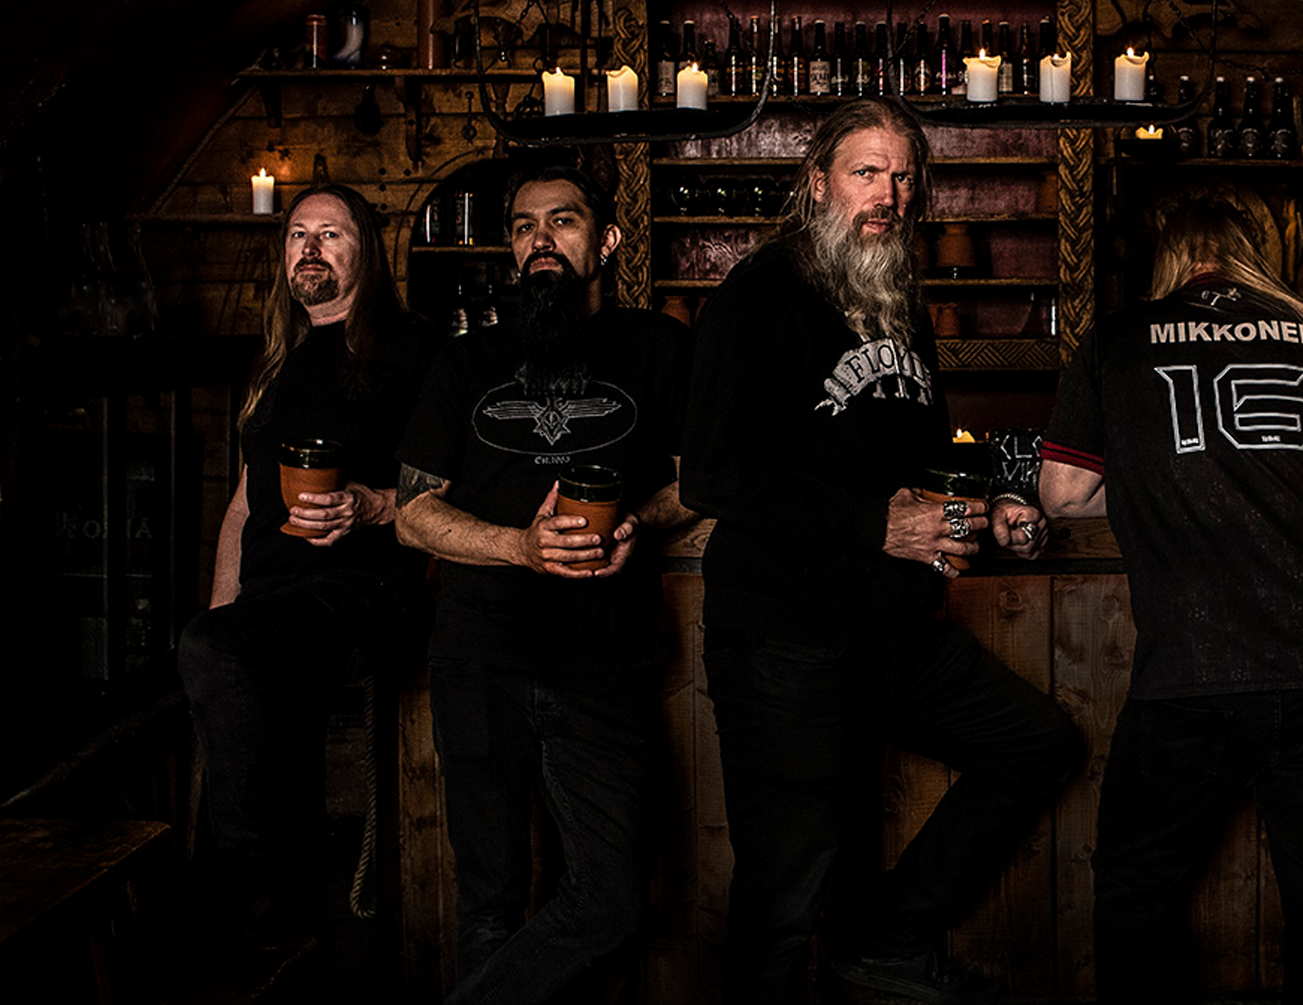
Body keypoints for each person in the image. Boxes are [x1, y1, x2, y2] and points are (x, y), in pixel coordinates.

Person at [679, 98, 1084, 1005]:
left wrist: (989, 503)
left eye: (903, 178)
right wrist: (877, 525)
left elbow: (926, 456)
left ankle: (885, 939)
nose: (888, 196)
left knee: (1035, 744)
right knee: (787, 886)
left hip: (893, 633)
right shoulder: (758, 296)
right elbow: (713, 474)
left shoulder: (896, 297)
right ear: (817, 182)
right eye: (867, 172)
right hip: (785, 640)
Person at [1038, 199, 1303, 1004]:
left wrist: (1159, 484)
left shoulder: (1119, 338)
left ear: (1171, 261)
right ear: (1251, 257)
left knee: (1136, 887)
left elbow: (1062, 494)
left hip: (1193, 669)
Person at [393, 164, 694, 1004]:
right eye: (524, 227)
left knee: (611, 898)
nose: (540, 241)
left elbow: (699, 481)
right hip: (478, 659)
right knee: (489, 900)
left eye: (562, 221)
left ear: (607, 239)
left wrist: (638, 521)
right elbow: (412, 512)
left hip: (604, 662)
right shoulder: (463, 360)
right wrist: (518, 547)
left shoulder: (660, 346)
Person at [176, 184, 437, 947]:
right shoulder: (278, 359)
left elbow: (456, 487)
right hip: (274, 602)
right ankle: (290, 944)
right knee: (273, 748)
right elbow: (243, 504)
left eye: (331, 234)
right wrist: (223, 619)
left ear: (367, 253)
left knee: (225, 668)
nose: (310, 248)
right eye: (298, 234)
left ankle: (243, 880)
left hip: (365, 588)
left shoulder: (413, 349)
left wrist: (372, 504)